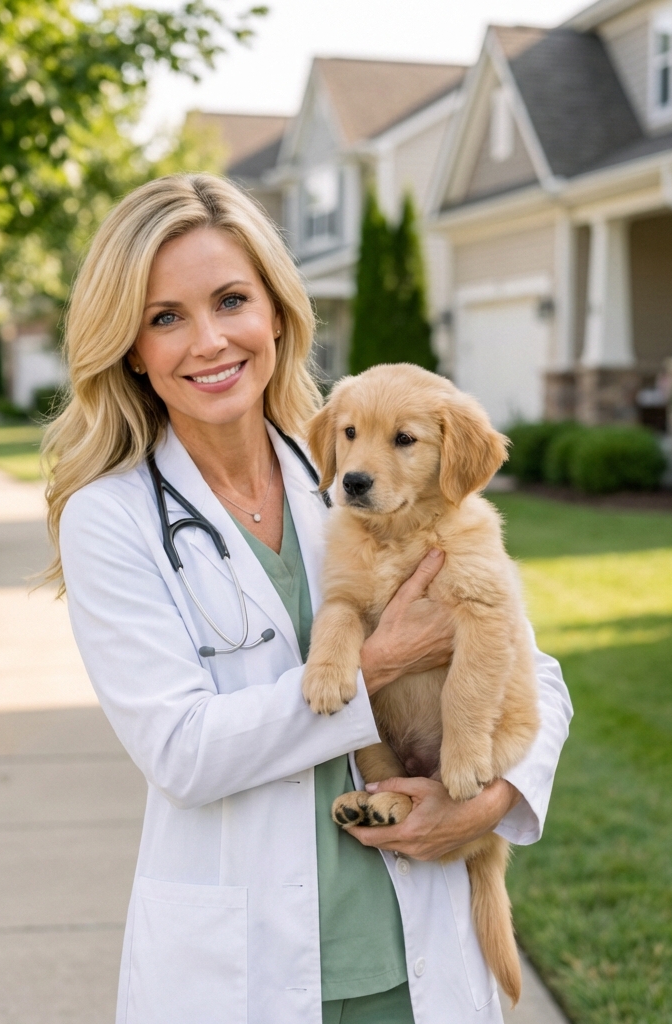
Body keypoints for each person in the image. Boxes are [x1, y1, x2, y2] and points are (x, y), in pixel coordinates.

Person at [45, 173, 572, 1024]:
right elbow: (181, 752)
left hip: (418, 944)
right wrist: (383, 661)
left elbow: (534, 671)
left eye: (231, 300)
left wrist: (488, 803)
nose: (209, 340)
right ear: (132, 347)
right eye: (165, 316)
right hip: (246, 965)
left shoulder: (348, 471)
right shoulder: (110, 520)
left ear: (278, 314)